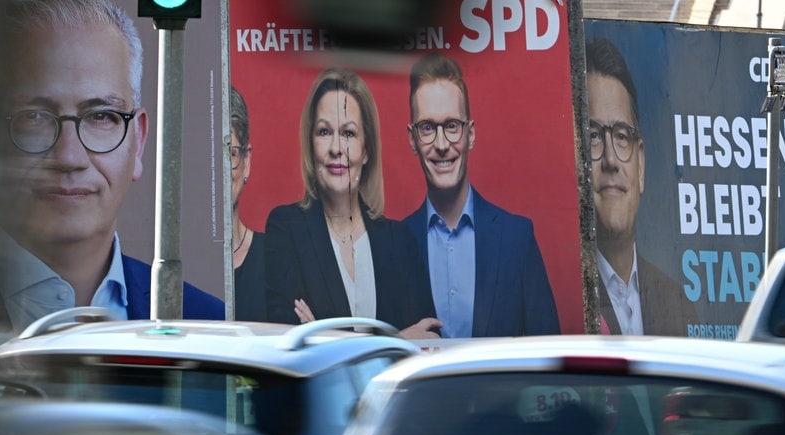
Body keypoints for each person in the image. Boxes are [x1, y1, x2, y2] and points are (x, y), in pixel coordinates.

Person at [0, 0, 223, 331]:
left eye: (101, 116)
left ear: (139, 140)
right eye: (36, 117)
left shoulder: (208, 326)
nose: (69, 157)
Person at [264, 67, 439, 337]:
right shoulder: (286, 229)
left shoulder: (399, 241)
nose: (336, 148)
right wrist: (397, 341)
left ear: (366, 149)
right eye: (324, 132)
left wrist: (324, 338)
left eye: (348, 134)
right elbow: (287, 344)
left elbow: (428, 338)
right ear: (311, 144)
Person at [402, 53, 558, 338]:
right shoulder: (394, 244)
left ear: (470, 134)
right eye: (427, 128)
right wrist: (395, 342)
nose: (441, 144)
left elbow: (549, 358)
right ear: (412, 139)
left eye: (451, 126)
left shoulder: (517, 239)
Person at [585, 37, 697, 336]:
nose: (610, 159)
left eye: (622, 136)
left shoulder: (679, 305)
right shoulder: (562, 298)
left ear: (641, 164)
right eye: (593, 136)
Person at [229, 86, 268, 321]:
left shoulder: (278, 261)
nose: (217, 170)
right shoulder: (170, 269)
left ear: (246, 162)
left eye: (229, 154)